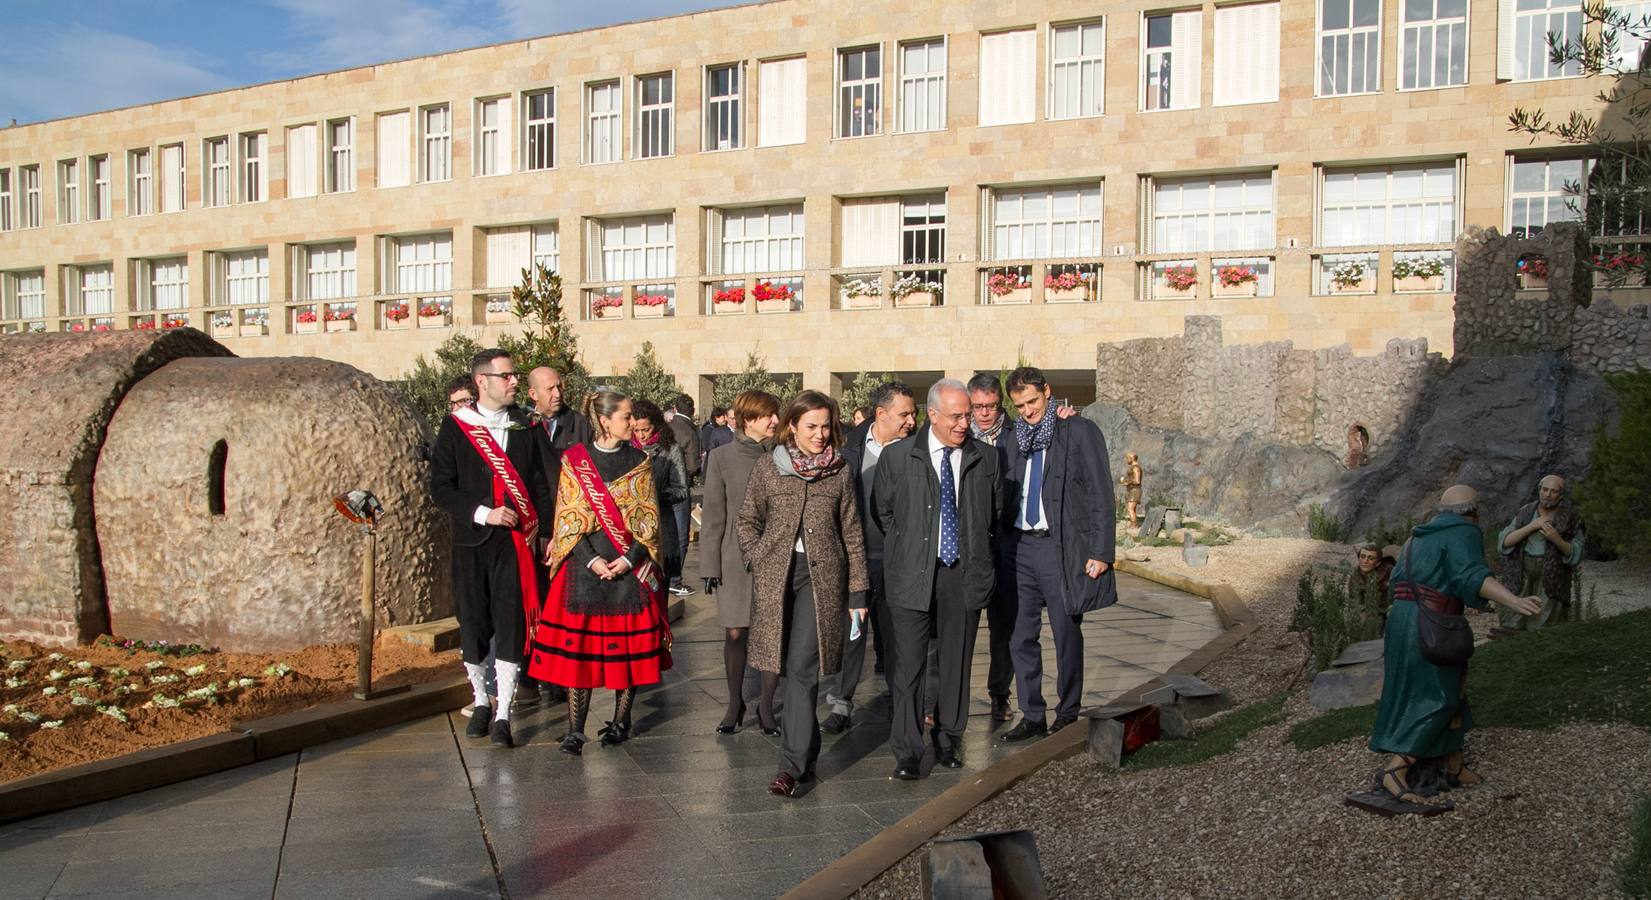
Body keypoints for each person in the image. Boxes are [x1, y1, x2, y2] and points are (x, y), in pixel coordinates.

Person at [1368, 486, 1541, 802]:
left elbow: (1395, 582)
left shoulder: (1415, 537)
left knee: (1449, 692)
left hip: (1403, 622)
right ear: (1473, 511)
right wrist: (1513, 601)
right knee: (1439, 697)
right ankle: (1397, 770)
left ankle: (1454, 766)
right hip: (1433, 624)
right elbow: (1472, 576)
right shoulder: (1465, 532)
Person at [737, 390, 869, 797]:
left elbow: (852, 533)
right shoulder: (767, 468)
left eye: (826, 426)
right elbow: (746, 520)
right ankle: (807, 752)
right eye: (811, 426)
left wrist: (858, 593)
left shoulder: (840, 472)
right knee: (780, 667)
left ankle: (790, 767)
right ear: (792, 425)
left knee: (801, 669)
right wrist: (759, 557)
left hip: (822, 581)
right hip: (777, 578)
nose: (820, 434)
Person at [527, 390, 672, 756]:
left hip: (629, 569)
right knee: (581, 654)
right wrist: (591, 560)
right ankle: (576, 730)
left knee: (629, 652)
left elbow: (648, 521)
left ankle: (621, 721)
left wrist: (628, 558)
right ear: (605, 421)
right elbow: (568, 520)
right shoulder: (575, 461)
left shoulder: (640, 461)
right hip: (584, 569)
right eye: (625, 417)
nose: (632, 423)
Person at [875, 379, 1000, 779]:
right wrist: (913, 547)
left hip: (961, 575)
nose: (966, 423)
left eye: (968, 415)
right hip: (912, 574)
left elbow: (993, 516)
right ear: (932, 415)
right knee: (909, 667)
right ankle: (908, 751)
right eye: (957, 416)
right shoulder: (897, 458)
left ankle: (949, 738)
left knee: (956, 662)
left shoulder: (986, 458)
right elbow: (884, 514)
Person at [429, 350, 554, 748]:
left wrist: (547, 533)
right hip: (472, 540)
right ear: (482, 382)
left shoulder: (527, 427)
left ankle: (504, 713)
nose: (515, 381)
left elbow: (540, 484)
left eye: (515, 375)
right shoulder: (455, 428)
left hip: (516, 544)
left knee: (511, 621)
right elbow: (441, 488)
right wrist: (484, 512)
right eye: (507, 376)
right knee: (474, 621)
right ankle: (481, 700)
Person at [1001, 366, 1117, 742]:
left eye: (1033, 401)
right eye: (1020, 406)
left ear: (1048, 392)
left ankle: (1068, 710)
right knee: (1020, 636)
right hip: (1020, 548)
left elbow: (1101, 494)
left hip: (1059, 547)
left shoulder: (1078, 431)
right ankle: (1031, 713)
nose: (1028, 411)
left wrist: (1101, 551)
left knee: (1066, 632)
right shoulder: (1012, 438)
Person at [824, 381, 917, 735]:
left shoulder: (918, 448)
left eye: (913, 413)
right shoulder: (849, 448)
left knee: (897, 639)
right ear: (881, 414)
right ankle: (841, 705)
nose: (911, 420)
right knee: (853, 636)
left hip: (899, 561)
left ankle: (901, 703)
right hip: (856, 560)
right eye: (904, 414)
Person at [701, 390, 783, 735]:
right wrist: (709, 566)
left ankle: (766, 705)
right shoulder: (721, 457)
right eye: (768, 416)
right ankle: (735, 701)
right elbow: (714, 516)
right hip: (735, 558)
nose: (775, 421)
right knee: (736, 632)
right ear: (748, 419)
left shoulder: (782, 457)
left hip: (775, 555)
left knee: (771, 633)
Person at [965, 372, 1018, 723]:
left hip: (1007, 542)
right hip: (967, 546)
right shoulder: (956, 433)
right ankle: (948, 698)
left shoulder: (1018, 434)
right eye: (978, 407)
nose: (985, 413)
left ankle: (1000, 692)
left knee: (1005, 627)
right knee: (961, 629)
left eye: (991, 406)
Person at [1494, 474, 1585, 634]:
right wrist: (1531, 526)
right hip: (1521, 569)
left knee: (1545, 617)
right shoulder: (1526, 511)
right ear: (1539, 490)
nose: (1548, 494)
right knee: (1513, 616)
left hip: (1551, 571)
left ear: (1561, 494)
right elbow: (1505, 541)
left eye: (1553, 491)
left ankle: (1538, 641)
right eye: (1545, 489)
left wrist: (1556, 539)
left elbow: (1576, 553)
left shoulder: (1571, 518)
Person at [630, 399, 691, 598]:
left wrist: (657, 494)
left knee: (658, 592)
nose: (641, 436)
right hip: (630, 530)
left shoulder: (669, 448)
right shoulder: (626, 447)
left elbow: (681, 489)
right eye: (636, 431)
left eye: (645, 430)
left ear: (655, 424)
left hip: (661, 529)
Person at [664, 394, 701, 596]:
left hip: (661, 487)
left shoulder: (667, 427)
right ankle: (675, 580)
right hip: (680, 487)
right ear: (692, 410)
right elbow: (694, 464)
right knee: (680, 535)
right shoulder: (689, 431)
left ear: (675, 408)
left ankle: (665, 577)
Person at [527, 366, 592, 454]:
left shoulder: (581, 425)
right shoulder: (522, 425)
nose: (557, 394)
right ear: (534, 394)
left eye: (559, 386)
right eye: (550, 389)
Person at [1347, 542, 1396, 623]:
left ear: (1378, 562)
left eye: (1371, 558)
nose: (1365, 561)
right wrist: (1362, 610)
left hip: (1385, 611)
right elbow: (1353, 598)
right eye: (1362, 557)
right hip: (1365, 610)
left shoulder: (1389, 572)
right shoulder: (1356, 573)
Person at [1120, 452, 1144, 530]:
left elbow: (1137, 481)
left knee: (1130, 508)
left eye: (1127, 458)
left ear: (1131, 458)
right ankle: (1133, 523)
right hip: (1131, 489)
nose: (1126, 460)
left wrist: (1127, 482)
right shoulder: (1133, 467)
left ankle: (1134, 525)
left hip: (1135, 490)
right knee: (1132, 508)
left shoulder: (1136, 468)